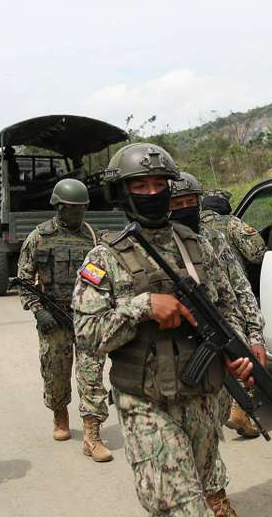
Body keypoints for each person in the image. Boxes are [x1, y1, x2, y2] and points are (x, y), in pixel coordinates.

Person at [73, 144, 253, 517]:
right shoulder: (104, 258)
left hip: (202, 396)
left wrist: (238, 350)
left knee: (208, 486)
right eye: (141, 186)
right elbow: (87, 334)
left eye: (160, 184)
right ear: (123, 192)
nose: (153, 194)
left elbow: (226, 307)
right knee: (181, 507)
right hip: (146, 402)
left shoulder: (197, 246)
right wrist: (144, 307)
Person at [13, 177, 113, 462]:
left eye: (81, 208)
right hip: (53, 318)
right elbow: (23, 280)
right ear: (58, 207)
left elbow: (104, 277)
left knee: (91, 375)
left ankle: (92, 436)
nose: (77, 214)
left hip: (86, 318)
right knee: (55, 373)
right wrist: (38, 309)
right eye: (71, 208)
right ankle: (59, 414)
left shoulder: (93, 239)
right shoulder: (39, 237)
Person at [171, 174, 266, 440]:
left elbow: (239, 290)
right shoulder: (155, 246)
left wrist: (255, 337)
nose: (185, 208)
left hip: (217, 341)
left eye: (191, 201)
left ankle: (238, 414)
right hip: (173, 351)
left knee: (210, 431)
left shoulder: (214, 241)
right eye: (178, 203)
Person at [199, 190, 266, 269]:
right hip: (234, 279)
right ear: (220, 203)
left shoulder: (193, 226)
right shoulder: (231, 222)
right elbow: (258, 254)